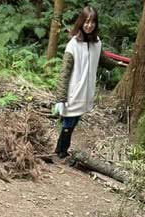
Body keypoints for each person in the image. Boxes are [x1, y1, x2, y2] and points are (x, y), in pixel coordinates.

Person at [54, 5, 120, 158]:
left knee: (75, 119)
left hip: (87, 91)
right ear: (81, 22)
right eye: (86, 22)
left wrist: (118, 64)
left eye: (92, 22)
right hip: (74, 91)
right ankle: (61, 151)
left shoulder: (97, 43)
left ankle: (61, 150)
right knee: (69, 121)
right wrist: (60, 98)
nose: (89, 25)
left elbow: (102, 59)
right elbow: (64, 73)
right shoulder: (73, 44)